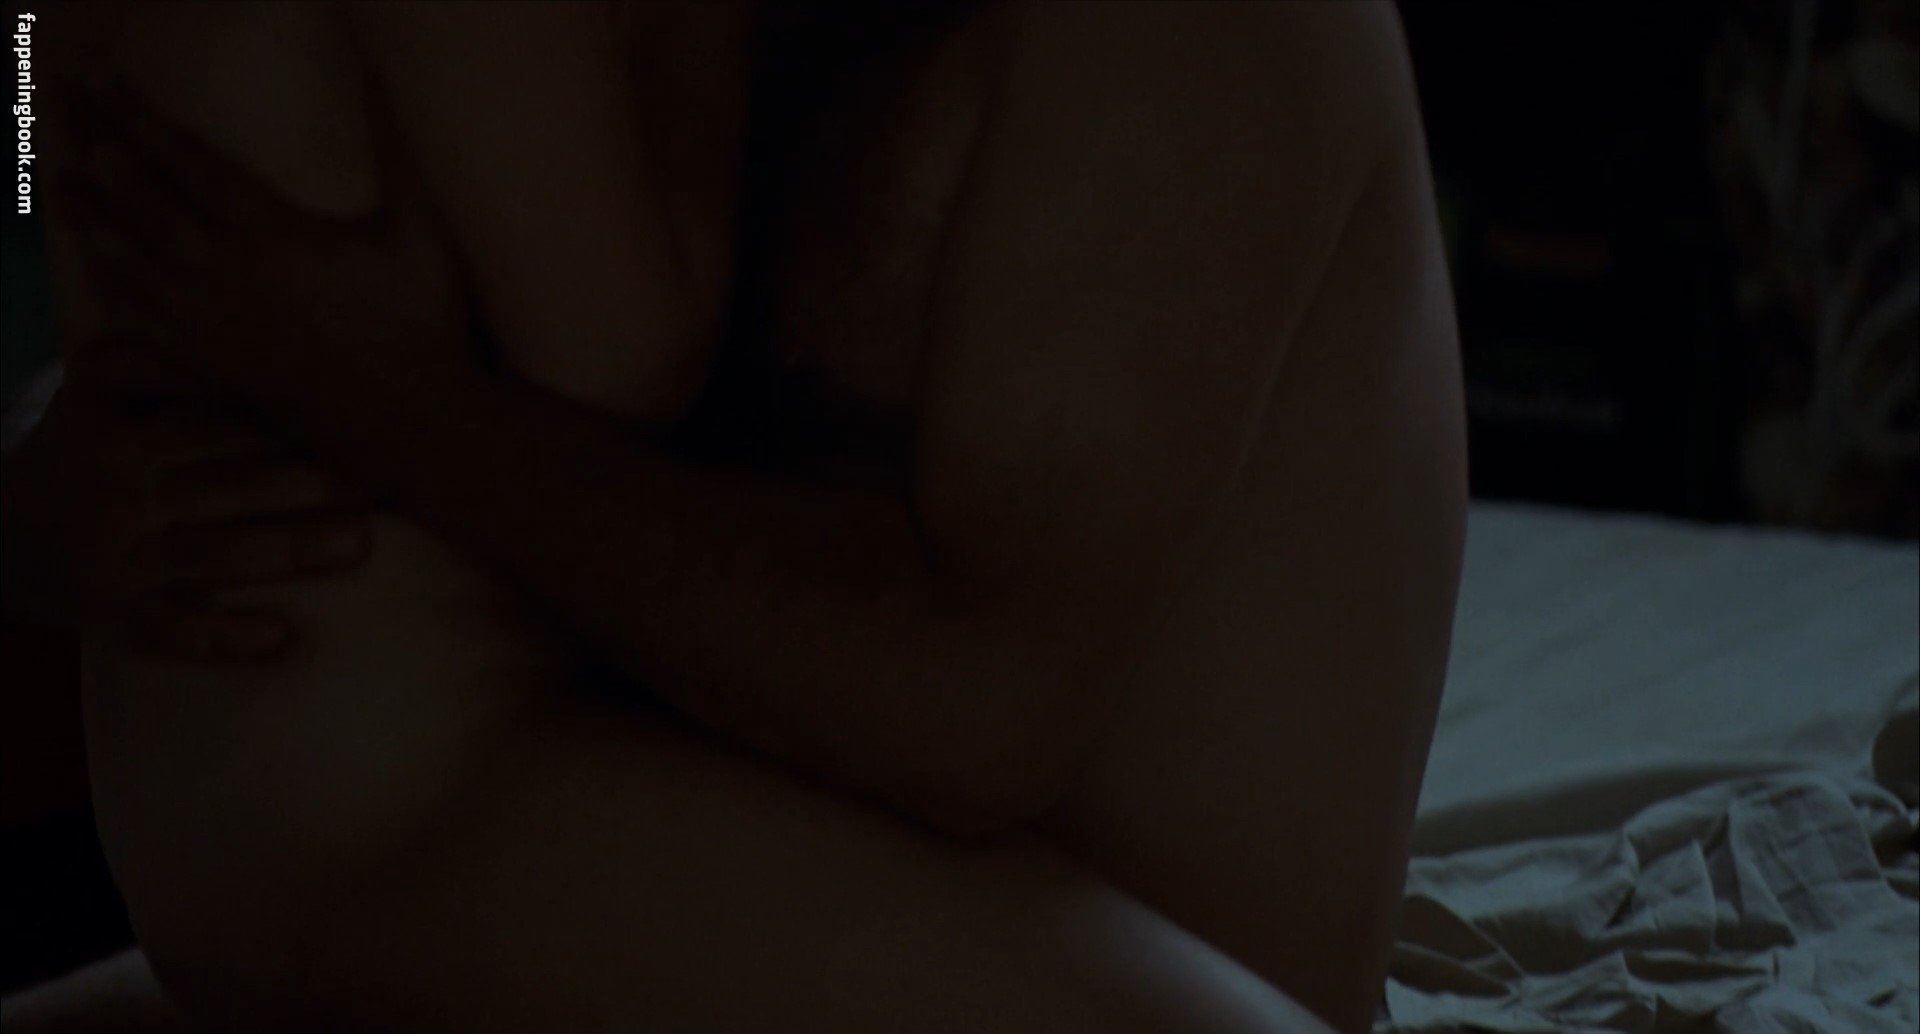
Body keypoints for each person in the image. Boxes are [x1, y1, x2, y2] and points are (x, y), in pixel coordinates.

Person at [20, 2, 1465, 1031]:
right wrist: (55, 458)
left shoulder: (1191, 37)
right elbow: (37, 124)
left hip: (1133, 941)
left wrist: (392, 405)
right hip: (681, 856)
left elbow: (977, 713)